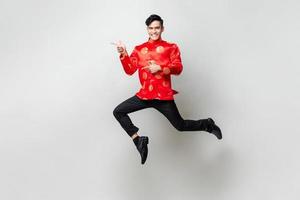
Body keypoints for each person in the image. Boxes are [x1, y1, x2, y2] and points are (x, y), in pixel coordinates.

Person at [113, 14, 222, 165]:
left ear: (162, 29)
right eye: (151, 28)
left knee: (180, 126)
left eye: (157, 28)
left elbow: (178, 68)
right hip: (145, 95)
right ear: (147, 30)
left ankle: (207, 124)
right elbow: (130, 70)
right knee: (118, 111)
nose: (154, 31)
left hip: (162, 97)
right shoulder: (139, 50)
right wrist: (123, 53)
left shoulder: (171, 48)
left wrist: (160, 68)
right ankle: (138, 141)